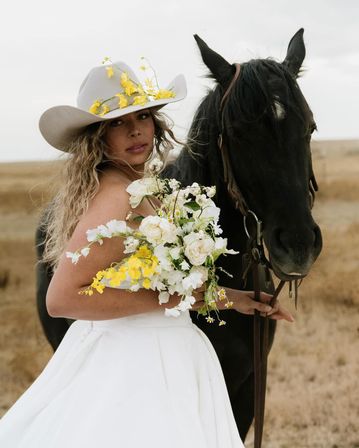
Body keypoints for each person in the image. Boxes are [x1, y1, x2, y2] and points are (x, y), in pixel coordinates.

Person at [0, 59, 293, 448]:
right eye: (118, 122)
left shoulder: (138, 187)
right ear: (95, 136)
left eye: (142, 115)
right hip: (135, 365)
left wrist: (233, 299)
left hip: (165, 355)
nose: (136, 129)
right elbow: (61, 298)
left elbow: (158, 288)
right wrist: (171, 298)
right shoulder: (115, 195)